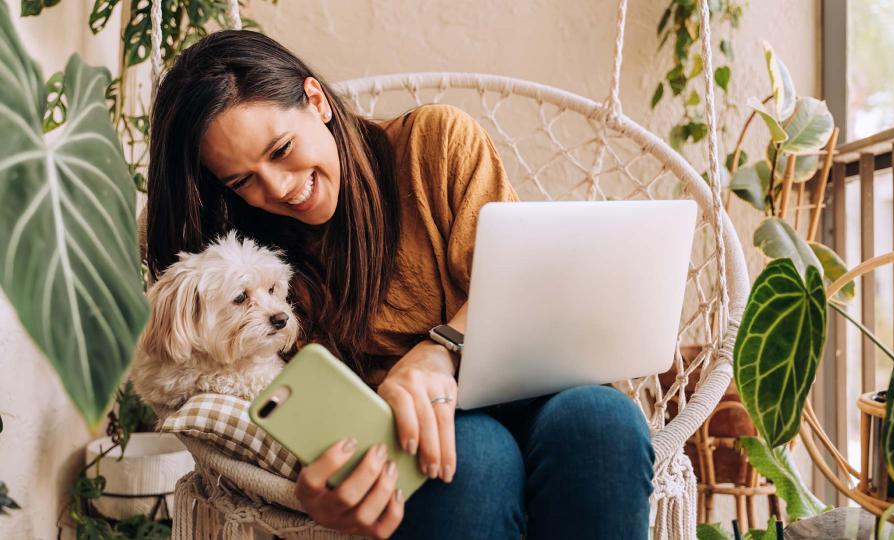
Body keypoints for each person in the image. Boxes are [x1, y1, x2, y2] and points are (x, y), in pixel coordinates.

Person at [145, 30, 654, 540]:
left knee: (601, 420)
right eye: (242, 181)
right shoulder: (250, 263)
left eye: (281, 149)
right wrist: (308, 481)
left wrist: (442, 350)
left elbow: (525, 286)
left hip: (532, 385)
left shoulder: (434, 145)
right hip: (414, 433)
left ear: (316, 100)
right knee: (467, 458)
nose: (276, 188)